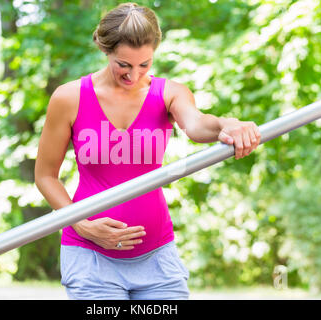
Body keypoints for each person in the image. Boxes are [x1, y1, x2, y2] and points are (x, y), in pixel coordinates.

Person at [34, 2, 260, 300]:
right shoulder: (69, 97)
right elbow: (45, 176)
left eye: (145, 64)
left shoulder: (169, 93)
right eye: (123, 65)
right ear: (106, 50)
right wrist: (84, 225)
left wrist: (226, 124)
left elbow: (197, 126)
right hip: (91, 258)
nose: (134, 75)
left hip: (157, 258)